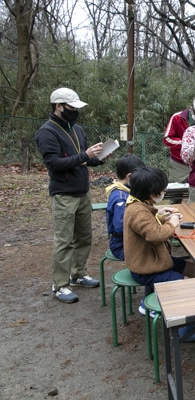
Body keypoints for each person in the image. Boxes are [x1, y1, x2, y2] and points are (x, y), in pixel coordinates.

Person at [34, 87, 105, 304]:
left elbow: (85, 160)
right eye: (72, 108)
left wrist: (100, 157)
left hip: (83, 191)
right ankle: (60, 285)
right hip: (64, 194)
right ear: (59, 106)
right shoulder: (47, 132)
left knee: (84, 237)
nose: (75, 112)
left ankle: (78, 274)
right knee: (64, 241)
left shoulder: (77, 129)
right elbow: (54, 164)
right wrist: (84, 155)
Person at [123, 166, 195, 342]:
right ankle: (187, 330)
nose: (162, 192)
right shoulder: (138, 211)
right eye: (160, 190)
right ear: (150, 192)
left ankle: (157, 304)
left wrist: (162, 218)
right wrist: (172, 223)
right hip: (148, 269)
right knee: (189, 286)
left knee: (194, 270)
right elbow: (154, 235)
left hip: (156, 261)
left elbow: (148, 226)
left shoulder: (140, 205)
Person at [105, 154, 146, 260]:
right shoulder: (121, 198)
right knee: (154, 255)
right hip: (121, 245)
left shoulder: (123, 191)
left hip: (128, 241)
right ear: (130, 176)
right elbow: (120, 227)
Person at [162, 104, 195, 204]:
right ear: (191, 108)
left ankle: (194, 218)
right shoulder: (177, 117)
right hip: (179, 163)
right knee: (175, 195)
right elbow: (167, 138)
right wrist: (186, 142)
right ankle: (174, 217)